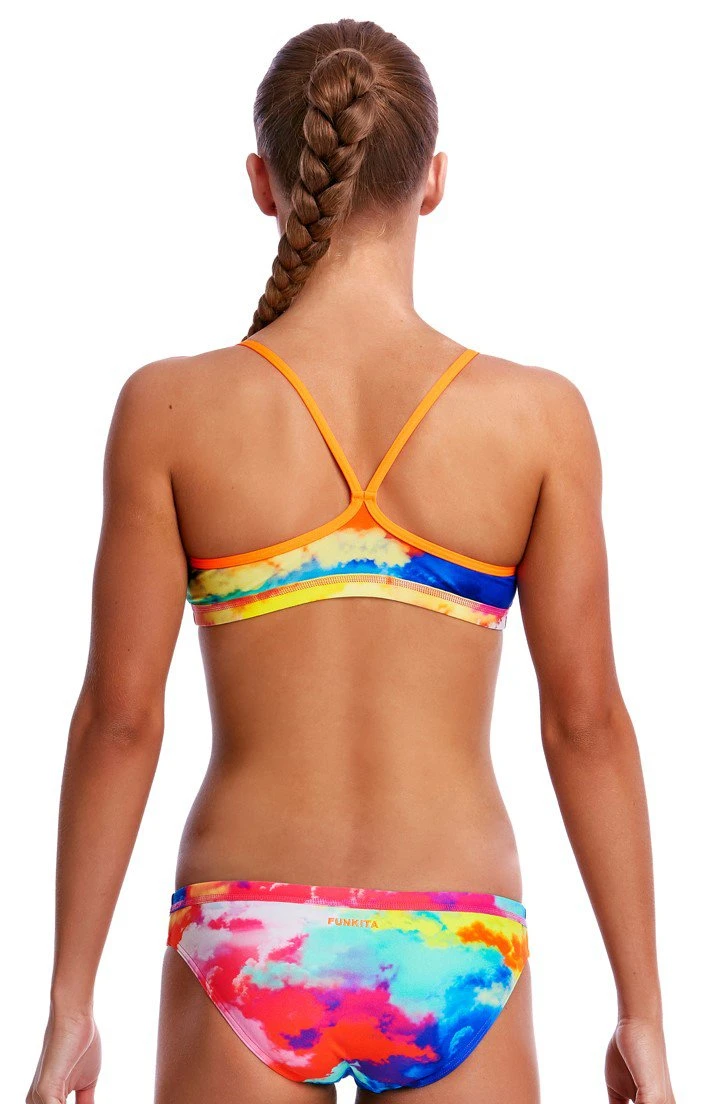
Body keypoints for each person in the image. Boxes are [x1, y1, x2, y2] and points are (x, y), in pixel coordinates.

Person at [26, 17, 676, 1104]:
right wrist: (642, 1012)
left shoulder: (170, 409)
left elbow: (120, 721)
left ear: (262, 183)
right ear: (434, 182)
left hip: (246, 933)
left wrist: (70, 1005)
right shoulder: (537, 419)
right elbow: (586, 725)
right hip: (455, 938)